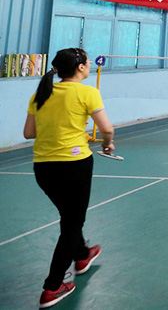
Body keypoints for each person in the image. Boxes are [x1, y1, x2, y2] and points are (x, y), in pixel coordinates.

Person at [24, 48, 115, 309]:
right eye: (87, 62)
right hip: (74, 166)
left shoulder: (40, 94)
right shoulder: (88, 92)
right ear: (80, 67)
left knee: (69, 216)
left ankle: (83, 255)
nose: (89, 65)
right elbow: (107, 129)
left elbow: (29, 133)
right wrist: (107, 144)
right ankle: (53, 286)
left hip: (43, 168)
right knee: (72, 224)